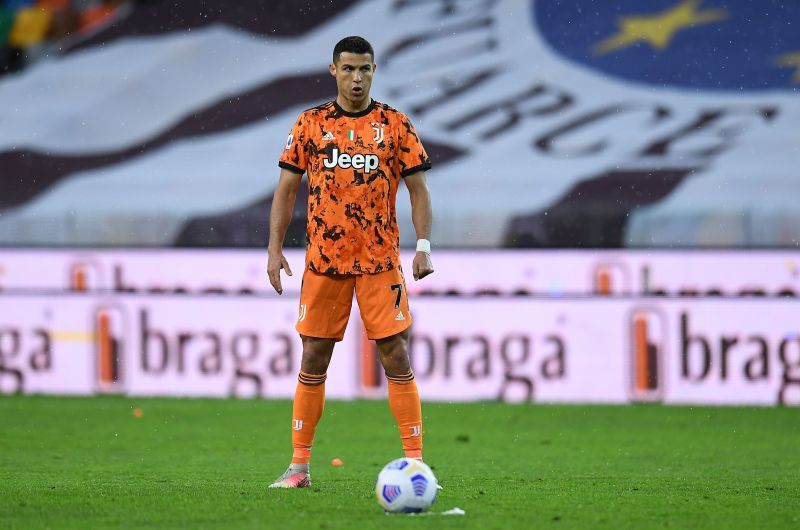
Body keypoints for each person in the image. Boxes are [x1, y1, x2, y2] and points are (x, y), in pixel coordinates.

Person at [266, 35, 434, 489]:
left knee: (395, 354)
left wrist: (423, 246)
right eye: (348, 69)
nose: (356, 78)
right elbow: (286, 190)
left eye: (364, 69)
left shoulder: (395, 125)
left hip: (380, 261)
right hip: (325, 261)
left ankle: (417, 466)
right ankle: (299, 467)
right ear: (333, 70)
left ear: (374, 71)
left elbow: (418, 190)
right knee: (314, 356)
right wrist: (274, 248)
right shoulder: (311, 124)